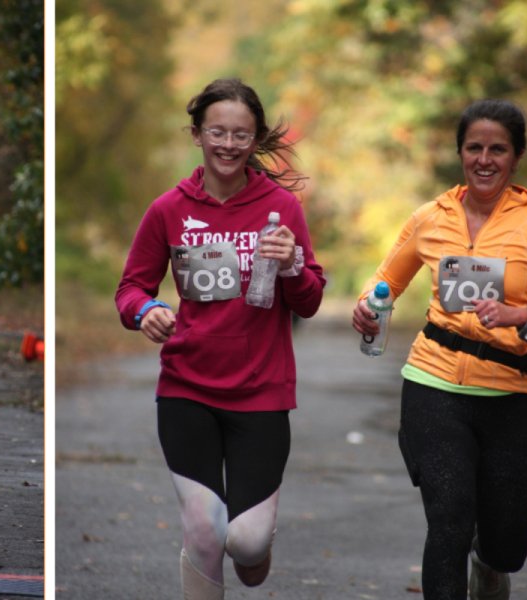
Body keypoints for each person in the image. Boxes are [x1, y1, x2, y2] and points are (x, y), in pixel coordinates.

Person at [114, 78, 324, 598]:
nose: (228, 145)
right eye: (218, 132)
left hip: (262, 392)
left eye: (241, 135)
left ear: (255, 141)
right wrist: (147, 311)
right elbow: (131, 288)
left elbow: (311, 300)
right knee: (204, 531)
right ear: (197, 135)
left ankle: (256, 547)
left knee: (247, 547)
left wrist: (291, 266)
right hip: (187, 387)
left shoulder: (282, 209)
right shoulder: (168, 209)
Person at [352, 99, 527, 600]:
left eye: (497, 149)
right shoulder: (430, 217)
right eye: (474, 147)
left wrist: (524, 315)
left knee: (506, 547)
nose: (485, 159)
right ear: (460, 153)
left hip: (516, 394)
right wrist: (366, 309)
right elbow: (383, 285)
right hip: (433, 384)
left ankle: (490, 565)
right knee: (449, 520)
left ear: (516, 156)